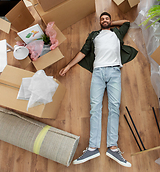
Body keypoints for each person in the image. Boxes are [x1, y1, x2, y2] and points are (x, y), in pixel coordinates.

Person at [59, 12, 138, 167]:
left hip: (115, 72)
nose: (104, 20)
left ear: (110, 21)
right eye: (102, 19)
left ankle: (113, 148)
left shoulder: (117, 32)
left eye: (106, 18)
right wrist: (68, 66)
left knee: (114, 108)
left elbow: (127, 22)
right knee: (95, 108)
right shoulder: (94, 35)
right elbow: (83, 52)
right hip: (98, 73)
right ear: (100, 23)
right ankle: (93, 148)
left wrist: (112, 22)